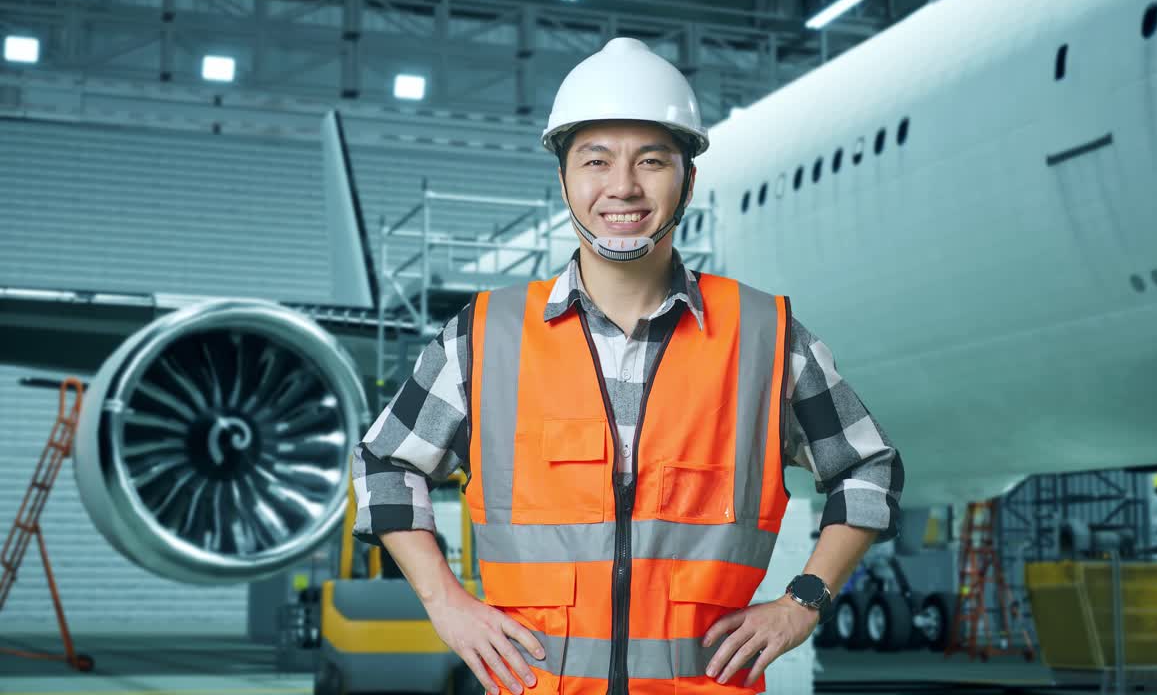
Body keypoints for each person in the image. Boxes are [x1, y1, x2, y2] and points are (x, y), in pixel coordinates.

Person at [352, 37, 904, 695]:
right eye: (595, 161)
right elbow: (386, 464)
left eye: (651, 160)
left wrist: (803, 601)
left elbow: (869, 466)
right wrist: (446, 603)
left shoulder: (765, 338)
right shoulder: (483, 338)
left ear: (689, 178)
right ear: (563, 179)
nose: (622, 187)